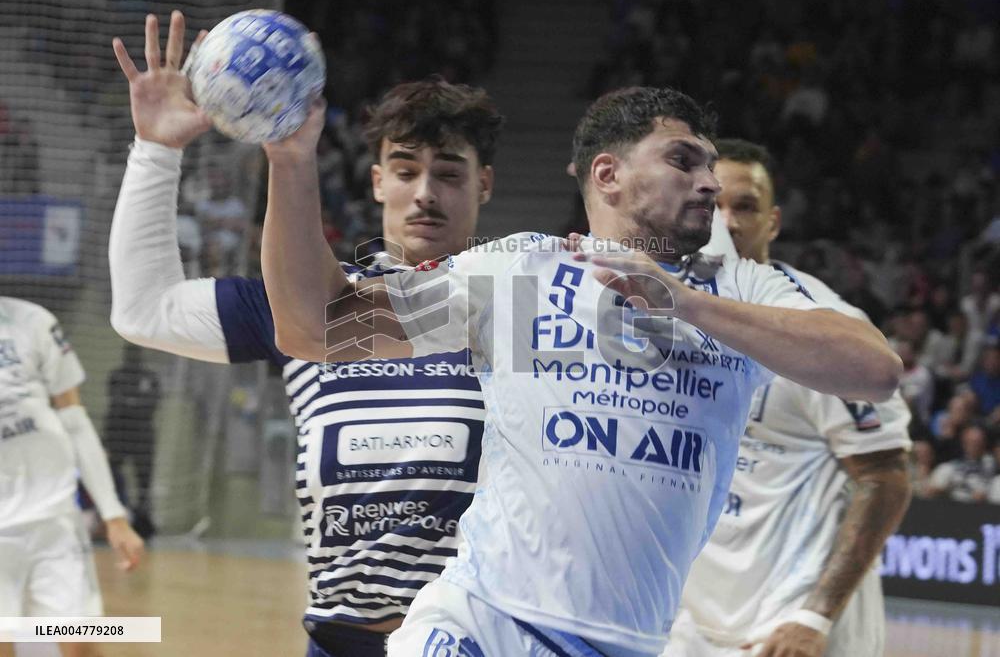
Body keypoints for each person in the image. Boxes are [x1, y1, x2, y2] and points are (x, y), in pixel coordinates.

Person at [259, 85, 902, 657]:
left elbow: (874, 370)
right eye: (683, 161)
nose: (708, 183)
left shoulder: (747, 288)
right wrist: (289, 165)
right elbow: (314, 328)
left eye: (710, 166)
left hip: (631, 640)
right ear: (608, 173)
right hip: (481, 621)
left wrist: (682, 301)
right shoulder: (518, 271)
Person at [108, 11, 502, 657]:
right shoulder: (311, 305)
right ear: (377, 182)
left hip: (478, 638)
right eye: (405, 170)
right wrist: (156, 150)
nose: (425, 193)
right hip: (339, 638)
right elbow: (144, 310)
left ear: (484, 183)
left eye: (450, 173)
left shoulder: (513, 301)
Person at [661, 139, 912, 657]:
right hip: (693, 624)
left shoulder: (824, 329)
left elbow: (885, 476)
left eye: (745, 206)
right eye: (713, 204)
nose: (725, 221)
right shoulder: (672, 317)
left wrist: (812, 616)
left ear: (772, 223)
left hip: (792, 629)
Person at [0, 297, 144, 657]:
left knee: (77, 645)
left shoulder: (32, 321)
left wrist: (113, 515)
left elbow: (75, 421)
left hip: (55, 519)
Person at [104, 342, 161, 538]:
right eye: (129, 353)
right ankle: (113, 518)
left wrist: (130, 405)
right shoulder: (116, 376)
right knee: (111, 477)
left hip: (143, 437)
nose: (133, 357)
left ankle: (143, 523)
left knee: (144, 483)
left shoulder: (150, 377)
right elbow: (115, 405)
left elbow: (151, 405)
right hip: (118, 434)